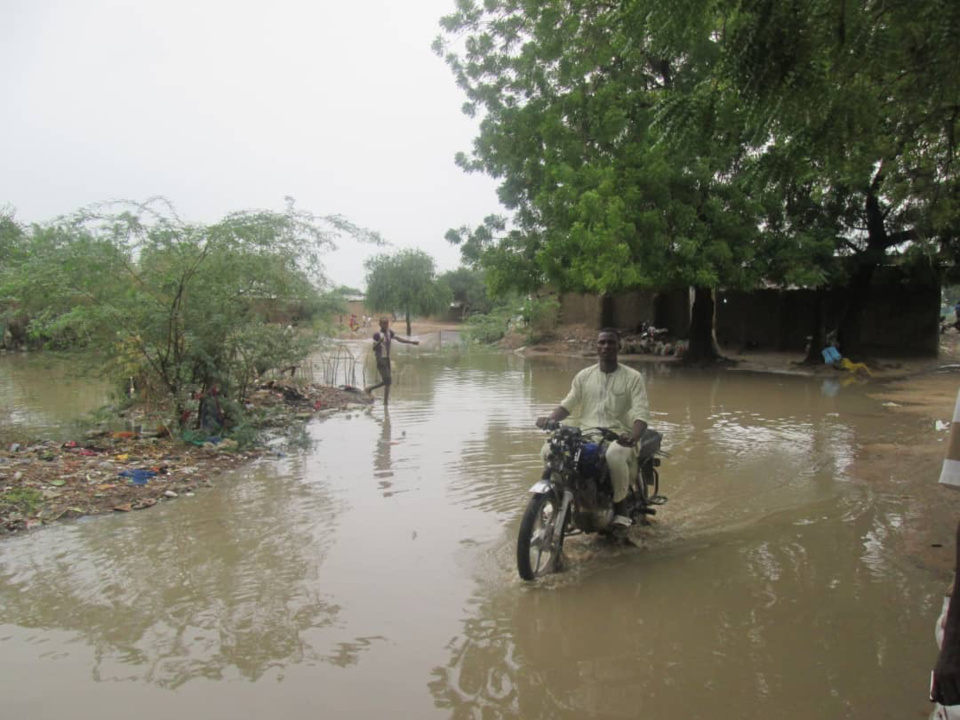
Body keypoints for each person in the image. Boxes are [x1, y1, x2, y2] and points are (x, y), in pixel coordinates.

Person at [535, 328, 649, 528]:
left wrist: (633, 436)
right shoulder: (584, 376)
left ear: (619, 346)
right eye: (602, 342)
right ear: (596, 346)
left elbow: (641, 414)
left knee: (614, 455)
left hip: (619, 437)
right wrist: (549, 419)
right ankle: (557, 496)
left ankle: (620, 506)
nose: (606, 346)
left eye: (611, 342)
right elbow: (567, 405)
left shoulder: (633, 378)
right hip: (587, 435)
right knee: (549, 449)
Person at [364, 317, 419, 406]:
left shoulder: (390, 332)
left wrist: (411, 342)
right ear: (380, 324)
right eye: (383, 324)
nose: (385, 325)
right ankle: (369, 389)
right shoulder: (377, 335)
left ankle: (385, 403)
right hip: (380, 359)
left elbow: (399, 339)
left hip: (387, 359)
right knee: (388, 380)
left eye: (387, 323)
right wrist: (379, 342)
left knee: (388, 382)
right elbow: (374, 348)